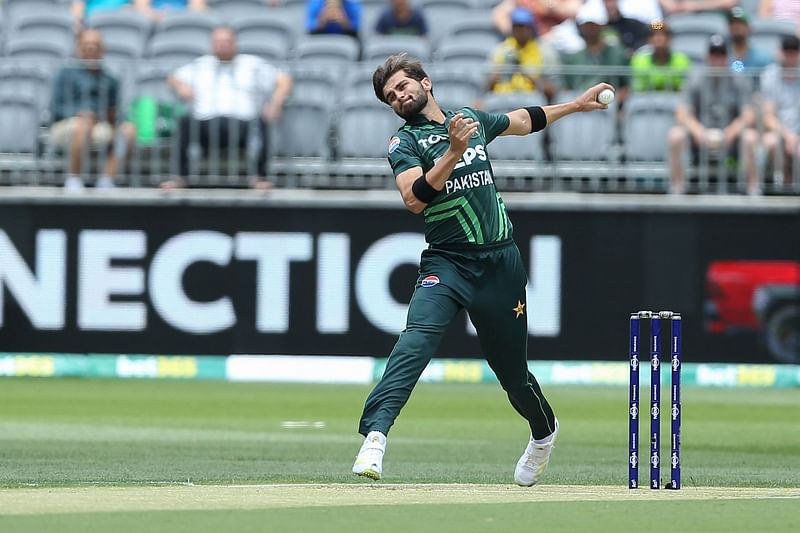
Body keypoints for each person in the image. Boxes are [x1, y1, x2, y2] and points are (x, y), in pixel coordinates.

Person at [352, 52, 613, 484]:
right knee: (416, 341)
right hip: (448, 263)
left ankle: (544, 433)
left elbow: (522, 120)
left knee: (512, 374)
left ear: (426, 82)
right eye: (391, 96)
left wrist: (576, 105)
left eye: (403, 87)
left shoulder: (469, 119)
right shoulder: (404, 143)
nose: (399, 97)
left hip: (500, 264)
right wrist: (453, 151)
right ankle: (375, 436)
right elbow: (414, 199)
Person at [165, 27, 292, 189]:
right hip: (206, 125)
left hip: (243, 125)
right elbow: (172, 78)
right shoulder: (200, 64)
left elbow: (284, 80)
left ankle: (260, 177)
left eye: (226, 42)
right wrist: (180, 86)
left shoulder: (252, 64)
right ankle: (179, 178)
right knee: (184, 121)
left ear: (235, 43)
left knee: (263, 121)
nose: (222, 45)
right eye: (218, 42)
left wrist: (276, 102)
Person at [667, 34, 755, 194]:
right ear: (707, 56)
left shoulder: (738, 79)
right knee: (675, 135)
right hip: (700, 137)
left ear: (727, 57)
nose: (717, 58)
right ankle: (677, 188)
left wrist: (731, 132)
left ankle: (753, 190)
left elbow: (749, 114)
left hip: (731, 139)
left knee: (750, 137)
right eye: (713, 54)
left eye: (721, 54)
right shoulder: (695, 78)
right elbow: (681, 112)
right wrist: (698, 131)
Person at [50, 29, 136, 190]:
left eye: (95, 45)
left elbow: (117, 109)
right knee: (83, 124)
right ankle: (73, 179)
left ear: (103, 50)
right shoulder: (65, 74)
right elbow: (56, 108)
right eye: (86, 45)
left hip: (100, 125)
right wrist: (79, 114)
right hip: (68, 125)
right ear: (78, 48)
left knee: (128, 130)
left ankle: (107, 180)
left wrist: (113, 117)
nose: (90, 49)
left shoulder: (110, 80)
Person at [742, 35, 800, 194]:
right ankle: (763, 191)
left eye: (794, 51)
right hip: (776, 132)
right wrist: (788, 136)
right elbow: (768, 116)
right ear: (780, 52)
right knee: (771, 142)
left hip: (796, 134)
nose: (790, 55)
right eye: (787, 51)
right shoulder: (770, 75)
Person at [486, 8, 560, 101]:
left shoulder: (545, 51)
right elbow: (486, 86)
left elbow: (552, 91)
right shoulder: (500, 50)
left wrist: (525, 72)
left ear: (531, 28)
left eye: (524, 27)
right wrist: (502, 69)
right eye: (517, 27)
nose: (520, 31)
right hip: (502, 98)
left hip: (532, 100)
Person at [560, 4, 629, 97]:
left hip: (609, 102)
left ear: (602, 26)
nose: (590, 29)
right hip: (579, 103)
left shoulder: (617, 53)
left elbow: (625, 86)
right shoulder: (573, 54)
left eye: (594, 25)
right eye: (587, 25)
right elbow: (567, 87)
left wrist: (618, 107)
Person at [630, 21, 692, 92]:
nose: (658, 38)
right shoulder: (640, 60)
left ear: (670, 39)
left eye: (663, 34)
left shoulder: (681, 59)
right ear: (649, 40)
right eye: (653, 35)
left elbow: (682, 87)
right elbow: (639, 88)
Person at [726, 6, 774, 74]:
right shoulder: (721, 56)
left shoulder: (762, 58)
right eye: (733, 23)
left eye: (740, 24)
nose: (736, 27)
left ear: (749, 28)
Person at [132, 0, 207, 22]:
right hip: (154, 24)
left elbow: (197, 8)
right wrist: (154, 16)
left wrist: (174, 17)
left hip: (183, 23)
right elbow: (140, 7)